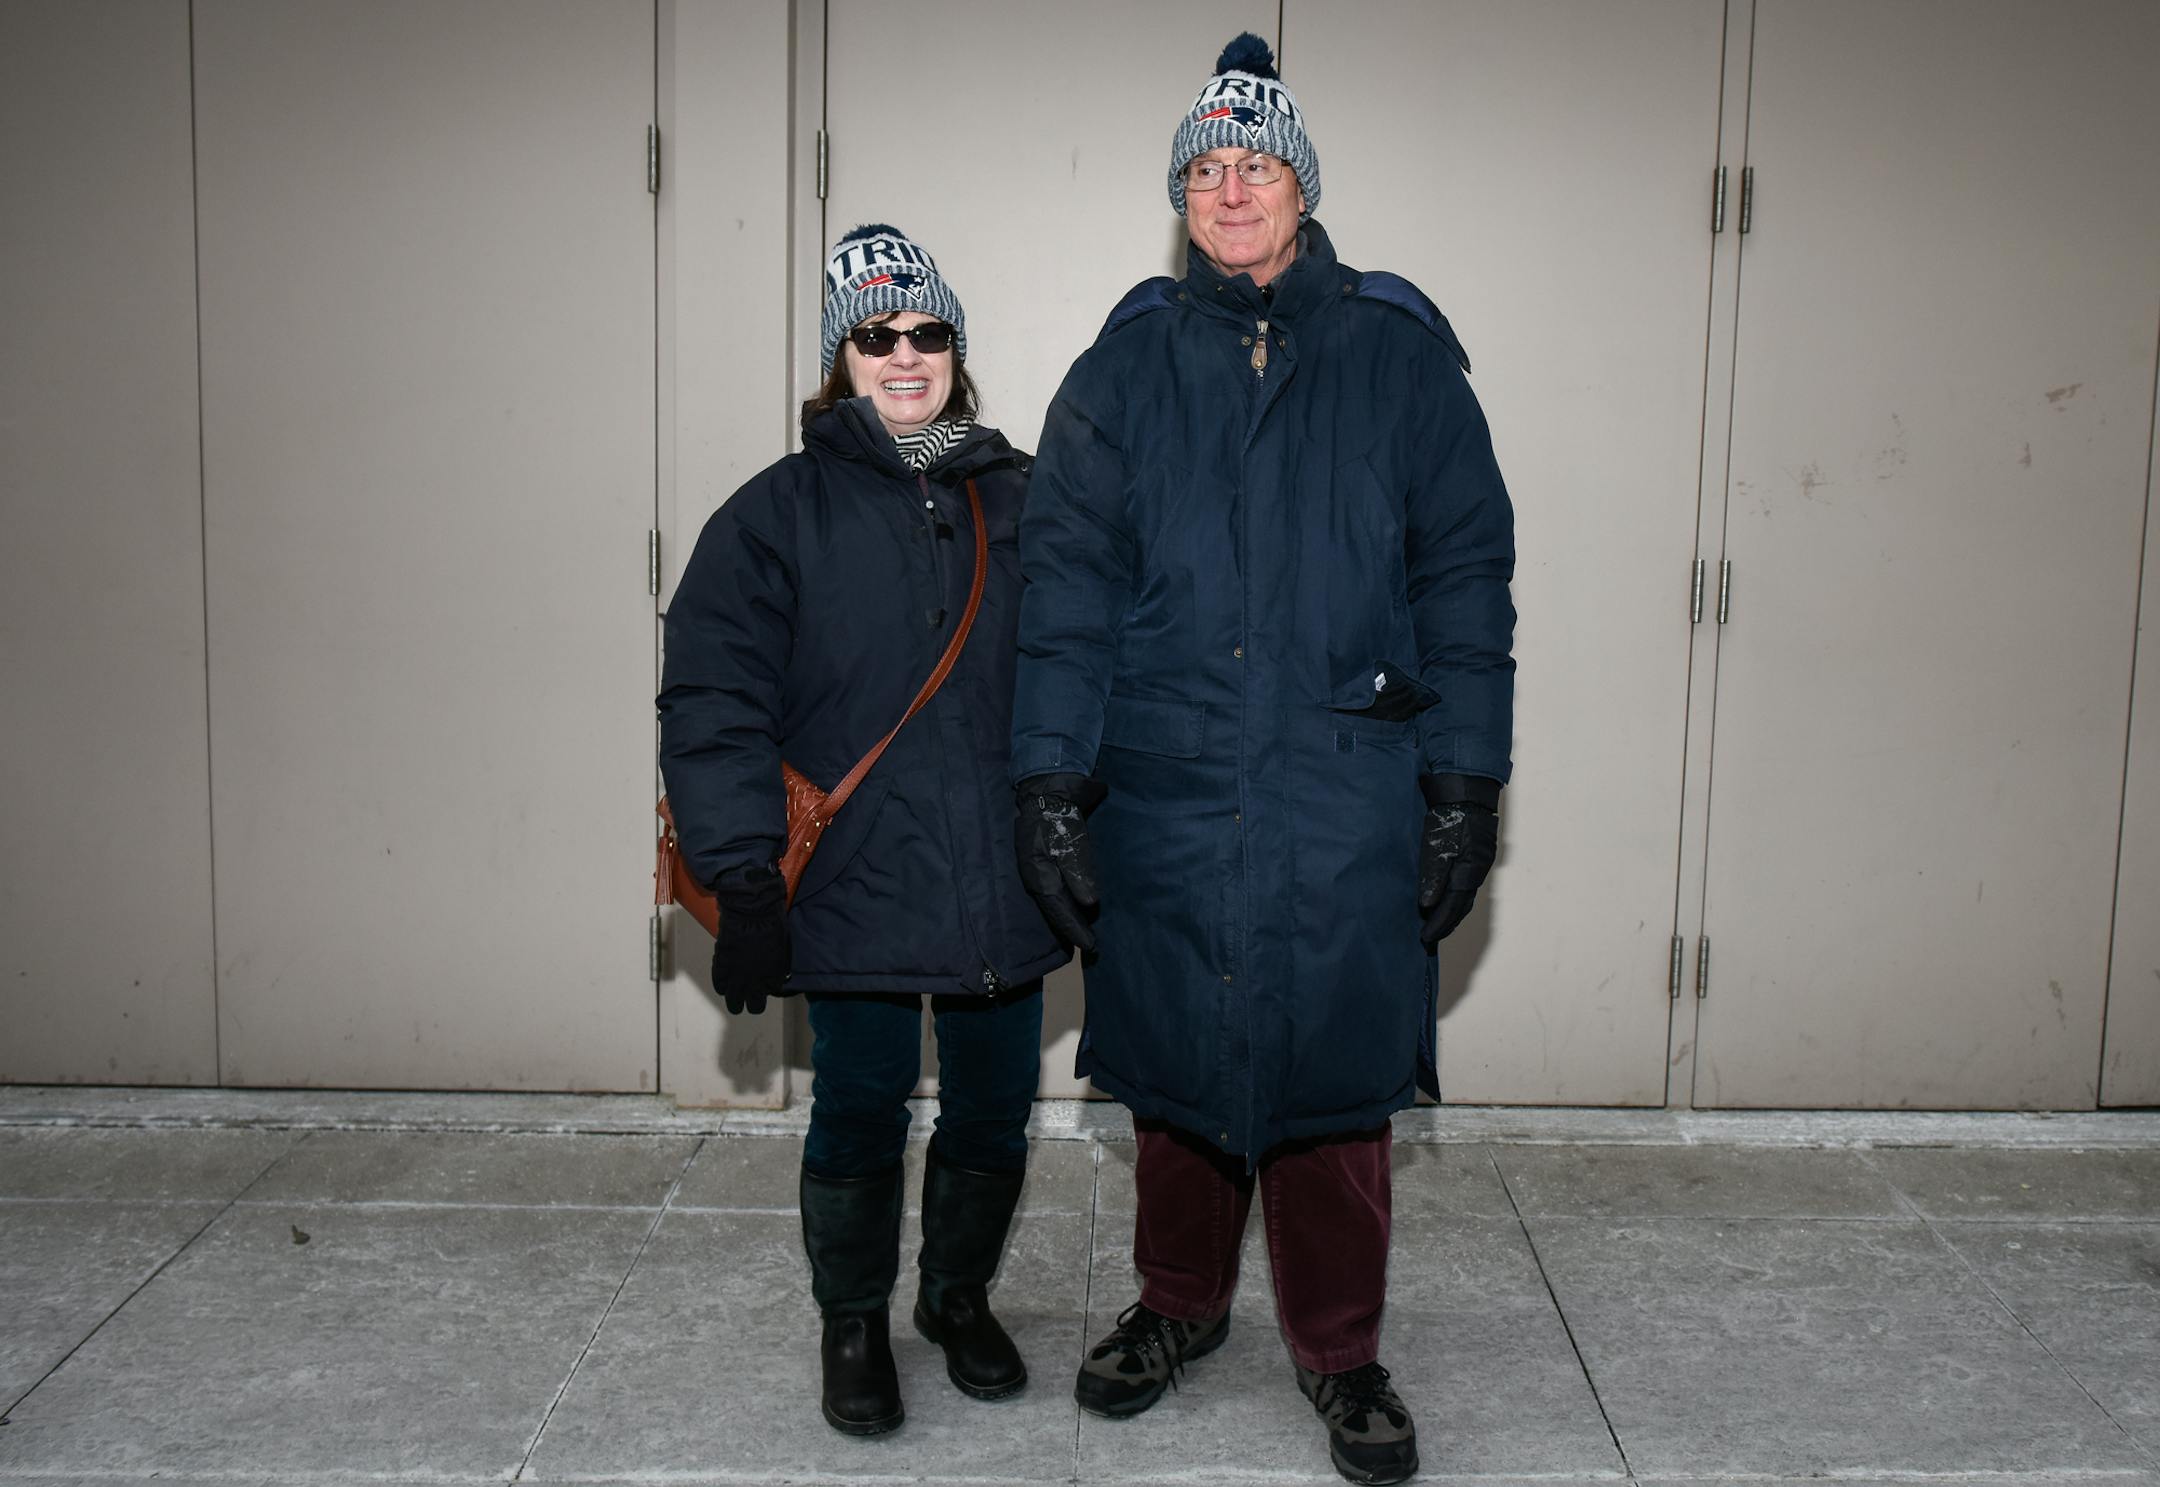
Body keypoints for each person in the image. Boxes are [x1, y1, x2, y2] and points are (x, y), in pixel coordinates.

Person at [1009, 35, 1515, 1486]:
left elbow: (1467, 577)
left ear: (1302, 184)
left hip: (1345, 785)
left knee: (1336, 1080)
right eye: (1207, 168)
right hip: (1169, 781)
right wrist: (1050, 778)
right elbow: (1068, 591)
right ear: (1183, 193)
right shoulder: (1124, 363)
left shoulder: (1400, 356)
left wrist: (1465, 780)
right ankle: (1177, 1306)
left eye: (1258, 162)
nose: (1233, 189)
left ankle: (1342, 1344)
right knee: (1177, 1068)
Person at [659, 225, 1065, 1437]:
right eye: (875, 335)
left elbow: (1099, 673)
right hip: (849, 884)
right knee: (860, 1106)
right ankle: (854, 1320)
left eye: (926, 332)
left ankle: (956, 1295)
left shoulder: (1029, 497)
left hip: (1000, 882)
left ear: (955, 349)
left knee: (995, 1107)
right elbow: (713, 699)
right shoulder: (774, 516)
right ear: (841, 357)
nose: (904, 355)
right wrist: (743, 877)